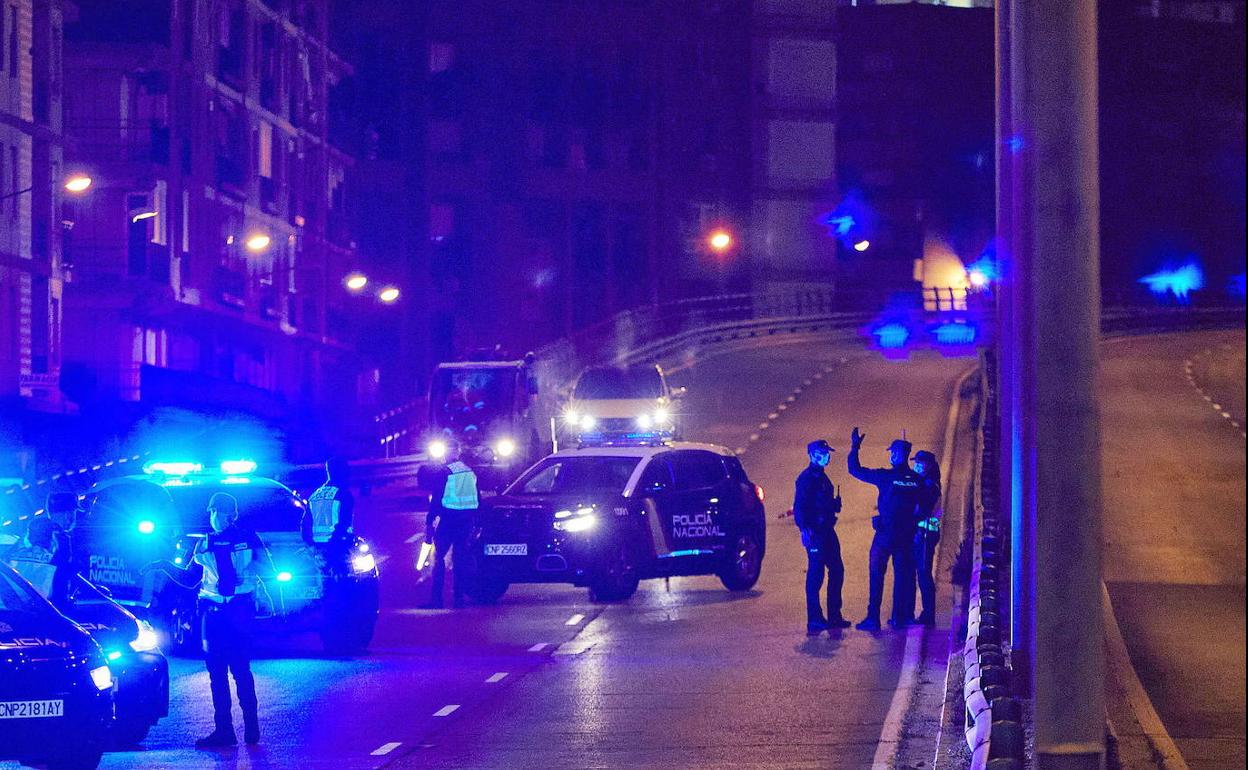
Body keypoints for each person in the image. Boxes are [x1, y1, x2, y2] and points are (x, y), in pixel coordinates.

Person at [144, 493, 275, 748]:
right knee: (229, 671)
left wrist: (164, 566)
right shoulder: (228, 540)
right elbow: (191, 578)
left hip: (225, 612)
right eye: (211, 513)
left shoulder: (225, 541)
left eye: (215, 512)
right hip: (228, 612)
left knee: (228, 671)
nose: (212, 517)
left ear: (226, 514)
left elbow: (191, 579)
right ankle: (238, 730)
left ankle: (238, 729)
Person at [847, 427, 922, 631]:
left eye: (892, 452)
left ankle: (873, 618)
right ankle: (899, 617)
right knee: (902, 577)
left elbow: (854, 470)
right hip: (906, 536)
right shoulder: (917, 481)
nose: (890, 455)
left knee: (877, 575)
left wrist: (855, 447)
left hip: (885, 535)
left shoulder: (885, 477)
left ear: (897, 455)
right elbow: (923, 508)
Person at [794, 439, 849, 635]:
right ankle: (814, 619)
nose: (825, 456)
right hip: (816, 532)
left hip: (827, 530)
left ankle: (834, 615)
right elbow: (799, 507)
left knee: (837, 570)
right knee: (816, 575)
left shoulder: (823, 478)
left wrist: (834, 505)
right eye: (821, 453)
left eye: (826, 453)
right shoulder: (807, 479)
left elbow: (821, 503)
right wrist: (804, 528)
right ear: (811, 455)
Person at [423, 441, 479, 609]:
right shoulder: (469, 472)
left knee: (438, 557)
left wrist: (430, 520)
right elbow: (477, 497)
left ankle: (436, 599)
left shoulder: (444, 472)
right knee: (460, 558)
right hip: (466, 521)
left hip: (449, 520)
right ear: (459, 452)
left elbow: (437, 499)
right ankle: (458, 598)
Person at [302, 457, 356, 573]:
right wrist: (334, 544)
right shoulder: (343, 493)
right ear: (343, 471)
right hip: (338, 546)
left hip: (318, 548)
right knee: (344, 583)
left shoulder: (315, 495)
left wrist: (311, 545)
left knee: (324, 584)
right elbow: (344, 522)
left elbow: (305, 524)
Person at [912, 450, 942, 626]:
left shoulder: (930, 485)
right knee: (921, 573)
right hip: (924, 533)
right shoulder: (924, 482)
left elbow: (922, 510)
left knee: (924, 573)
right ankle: (926, 612)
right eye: (915, 462)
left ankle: (929, 614)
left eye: (919, 463)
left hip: (926, 534)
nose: (916, 466)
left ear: (928, 465)